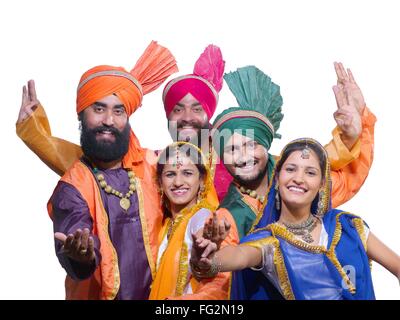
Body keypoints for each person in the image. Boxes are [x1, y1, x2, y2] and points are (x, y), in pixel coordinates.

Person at [16, 52, 364, 203]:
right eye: (177, 109)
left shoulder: (243, 160)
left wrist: (352, 132)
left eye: (197, 108)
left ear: (210, 114)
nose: (186, 116)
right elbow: (94, 166)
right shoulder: (158, 166)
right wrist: (36, 133)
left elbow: (307, 171)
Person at [47, 41, 178, 299]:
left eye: (118, 111)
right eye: (99, 109)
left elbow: (200, 168)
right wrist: (82, 256)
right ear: (81, 116)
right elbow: (75, 231)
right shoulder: (73, 185)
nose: (109, 120)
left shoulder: (154, 166)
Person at [192, 138, 400, 300]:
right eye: (290, 169)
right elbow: (237, 256)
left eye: (310, 172)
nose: (298, 178)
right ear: (278, 178)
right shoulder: (268, 242)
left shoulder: (346, 226)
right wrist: (206, 256)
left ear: (321, 185)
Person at [211, 64, 376, 238]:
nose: (243, 157)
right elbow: (221, 262)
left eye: (252, 145)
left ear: (266, 145)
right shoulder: (228, 217)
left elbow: (347, 180)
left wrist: (360, 121)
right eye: (231, 149)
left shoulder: (296, 179)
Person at [149, 142, 236, 299]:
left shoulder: (201, 215)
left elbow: (202, 230)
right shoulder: (165, 225)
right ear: (160, 183)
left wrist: (205, 242)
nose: (178, 182)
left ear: (202, 180)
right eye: (170, 174)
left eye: (187, 173)